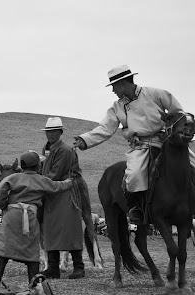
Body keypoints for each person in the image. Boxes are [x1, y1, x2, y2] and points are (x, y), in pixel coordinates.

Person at [73, 65, 193, 224]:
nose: (113, 90)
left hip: (167, 142)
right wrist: (84, 139)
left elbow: (178, 113)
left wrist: (171, 130)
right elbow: (106, 128)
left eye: (114, 86)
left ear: (122, 83)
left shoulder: (156, 94)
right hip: (141, 146)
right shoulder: (117, 108)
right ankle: (136, 208)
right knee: (134, 175)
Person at [0, 150, 74, 288]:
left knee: (3, 251)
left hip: (12, 215)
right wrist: (70, 181)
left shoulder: (14, 178)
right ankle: (35, 288)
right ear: (37, 166)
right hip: (30, 216)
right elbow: (57, 186)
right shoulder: (41, 180)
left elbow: (2, 187)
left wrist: (3, 204)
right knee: (31, 254)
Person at [40, 117, 85, 279]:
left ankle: (79, 266)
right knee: (50, 229)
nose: (50, 134)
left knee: (70, 228)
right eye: (48, 132)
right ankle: (53, 266)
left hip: (65, 193)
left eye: (53, 131)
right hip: (52, 193)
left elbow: (55, 173)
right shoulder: (48, 149)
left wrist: (38, 182)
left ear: (60, 132)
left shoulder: (64, 150)